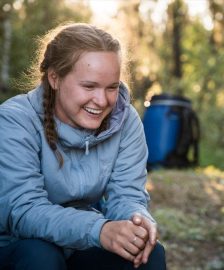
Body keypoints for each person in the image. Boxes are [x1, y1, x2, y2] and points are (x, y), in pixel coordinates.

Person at [0, 23, 166, 270]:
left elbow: (127, 195)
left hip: (81, 242)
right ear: (54, 78)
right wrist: (99, 229)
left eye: (111, 87)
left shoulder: (125, 119)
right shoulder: (14, 119)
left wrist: (137, 221)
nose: (102, 101)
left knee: (147, 256)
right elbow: (24, 211)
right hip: (18, 245)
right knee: (41, 256)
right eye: (89, 86)